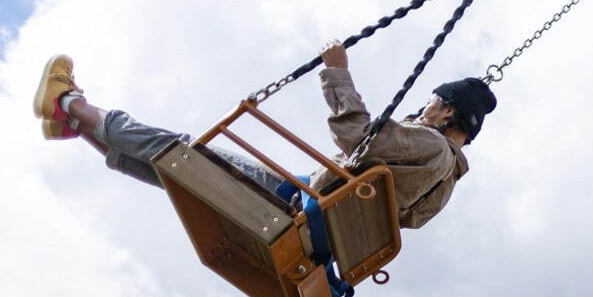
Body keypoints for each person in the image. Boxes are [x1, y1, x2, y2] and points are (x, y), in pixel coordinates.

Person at [32, 47, 495, 231]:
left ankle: (69, 104)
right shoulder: (444, 184)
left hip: (293, 203)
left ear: (448, 109)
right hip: (315, 235)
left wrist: (337, 70)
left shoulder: (429, 145)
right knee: (182, 174)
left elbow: (357, 134)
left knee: (183, 152)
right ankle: (78, 128)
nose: (423, 108)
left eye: (432, 102)